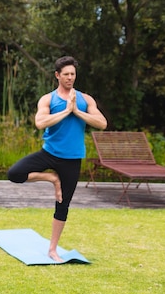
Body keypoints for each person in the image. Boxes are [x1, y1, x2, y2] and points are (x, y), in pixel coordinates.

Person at [7, 56, 107, 262]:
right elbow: (40, 122)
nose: (70, 78)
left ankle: (53, 249)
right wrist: (66, 111)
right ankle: (52, 179)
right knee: (14, 173)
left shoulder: (85, 99)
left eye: (73, 74)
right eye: (66, 74)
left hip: (72, 159)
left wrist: (77, 111)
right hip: (49, 154)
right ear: (57, 76)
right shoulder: (48, 99)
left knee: (63, 205)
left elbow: (101, 123)